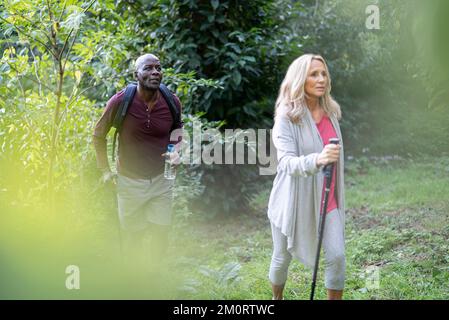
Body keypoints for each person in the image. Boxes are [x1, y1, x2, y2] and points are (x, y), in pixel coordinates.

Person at [92, 53, 182, 273]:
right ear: (137, 74)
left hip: (162, 180)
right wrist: (105, 170)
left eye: (158, 68)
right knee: (133, 237)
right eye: (148, 68)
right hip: (129, 181)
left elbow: (176, 132)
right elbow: (98, 134)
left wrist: (175, 151)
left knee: (161, 233)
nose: (155, 72)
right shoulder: (121, 101)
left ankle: (153, 274)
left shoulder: (171, 100)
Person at [267, 54, 345, 300]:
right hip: (292, 199)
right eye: (314, 74)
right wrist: (318, 159)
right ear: (301, 79)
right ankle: (276, 298)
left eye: (323, 74)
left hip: (327, 198)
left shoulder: (331, 112)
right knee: (281, 257)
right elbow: (286, 162)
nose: (321, 79)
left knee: (337, 256)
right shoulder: (286, 118)